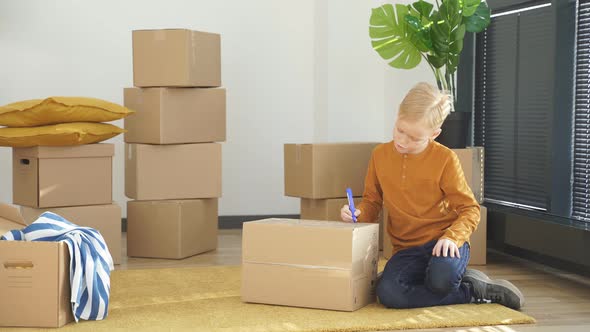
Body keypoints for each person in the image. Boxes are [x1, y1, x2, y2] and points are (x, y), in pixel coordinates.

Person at [340, 82, 524, 310]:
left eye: (415, 138)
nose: (402, 141)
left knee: (440, 281)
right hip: (406, 250)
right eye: (400, 130)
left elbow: (470, 209)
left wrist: (452, 237)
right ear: (397, 116)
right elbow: (372, 201)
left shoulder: (445, 159)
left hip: (444, 243)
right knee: (389, 295)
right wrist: (357, 212)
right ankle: (469, 290)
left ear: (434, 134)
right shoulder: (379, 155)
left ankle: (461, 283)